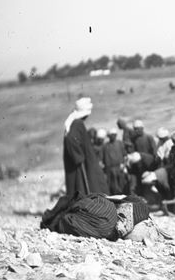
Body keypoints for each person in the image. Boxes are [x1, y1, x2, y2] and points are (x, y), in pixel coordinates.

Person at [41, 97, 108, 230]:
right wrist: (79, 157)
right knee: (82, 187)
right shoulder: (77, 124)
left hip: (81, 162)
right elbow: (71, 140)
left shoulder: (73, 123)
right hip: (80, 165)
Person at [102, 128, 128, 195]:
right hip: (109, 169)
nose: (113, 136)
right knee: (112, 186)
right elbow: (101, 159)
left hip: (119, 168)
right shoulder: (105, 146)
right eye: (112, 135)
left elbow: (125, 156)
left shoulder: (120, 143)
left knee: (122, 184)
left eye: (114, 135)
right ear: (109, 136)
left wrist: (124, 165)